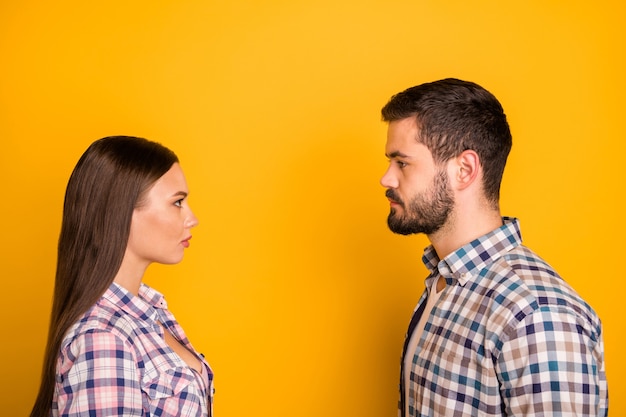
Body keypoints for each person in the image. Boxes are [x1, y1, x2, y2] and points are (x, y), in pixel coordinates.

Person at [379, 79, 607, 416]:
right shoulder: (444, 285)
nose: (387, 178)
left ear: (464, 170)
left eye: (402, 162)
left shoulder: (536, 316)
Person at [31, 136, 214, 417]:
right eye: (177, 202)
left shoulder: (152, 312)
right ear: (122, 211)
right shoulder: (103, 339)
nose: (192, 218)